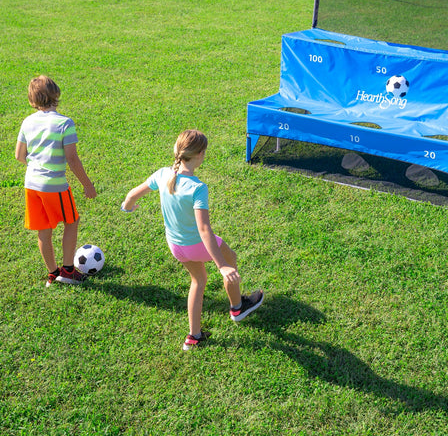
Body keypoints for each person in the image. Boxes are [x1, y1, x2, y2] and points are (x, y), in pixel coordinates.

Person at [121, 129, 263, 351]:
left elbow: (131, 196)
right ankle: (237, 308)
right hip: (196, 245)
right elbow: (204, 230)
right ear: (200, 154)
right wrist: (222, 266)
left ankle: (194, 337)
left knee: (198, 281)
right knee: (231, 257)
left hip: (177, 247)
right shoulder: (197, 188)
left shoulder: (162, 174)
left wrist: (127, 208)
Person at [15, 75, 97, 286]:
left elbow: (19, 155)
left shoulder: (27, 121)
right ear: (56, 94)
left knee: (44, 229)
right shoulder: (64, 123)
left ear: (32, 99)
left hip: (31, 184)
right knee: (72, 221)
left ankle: (53, 272)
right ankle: (68, 271)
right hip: (54, 186)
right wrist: (87, 185)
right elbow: (72, 158)